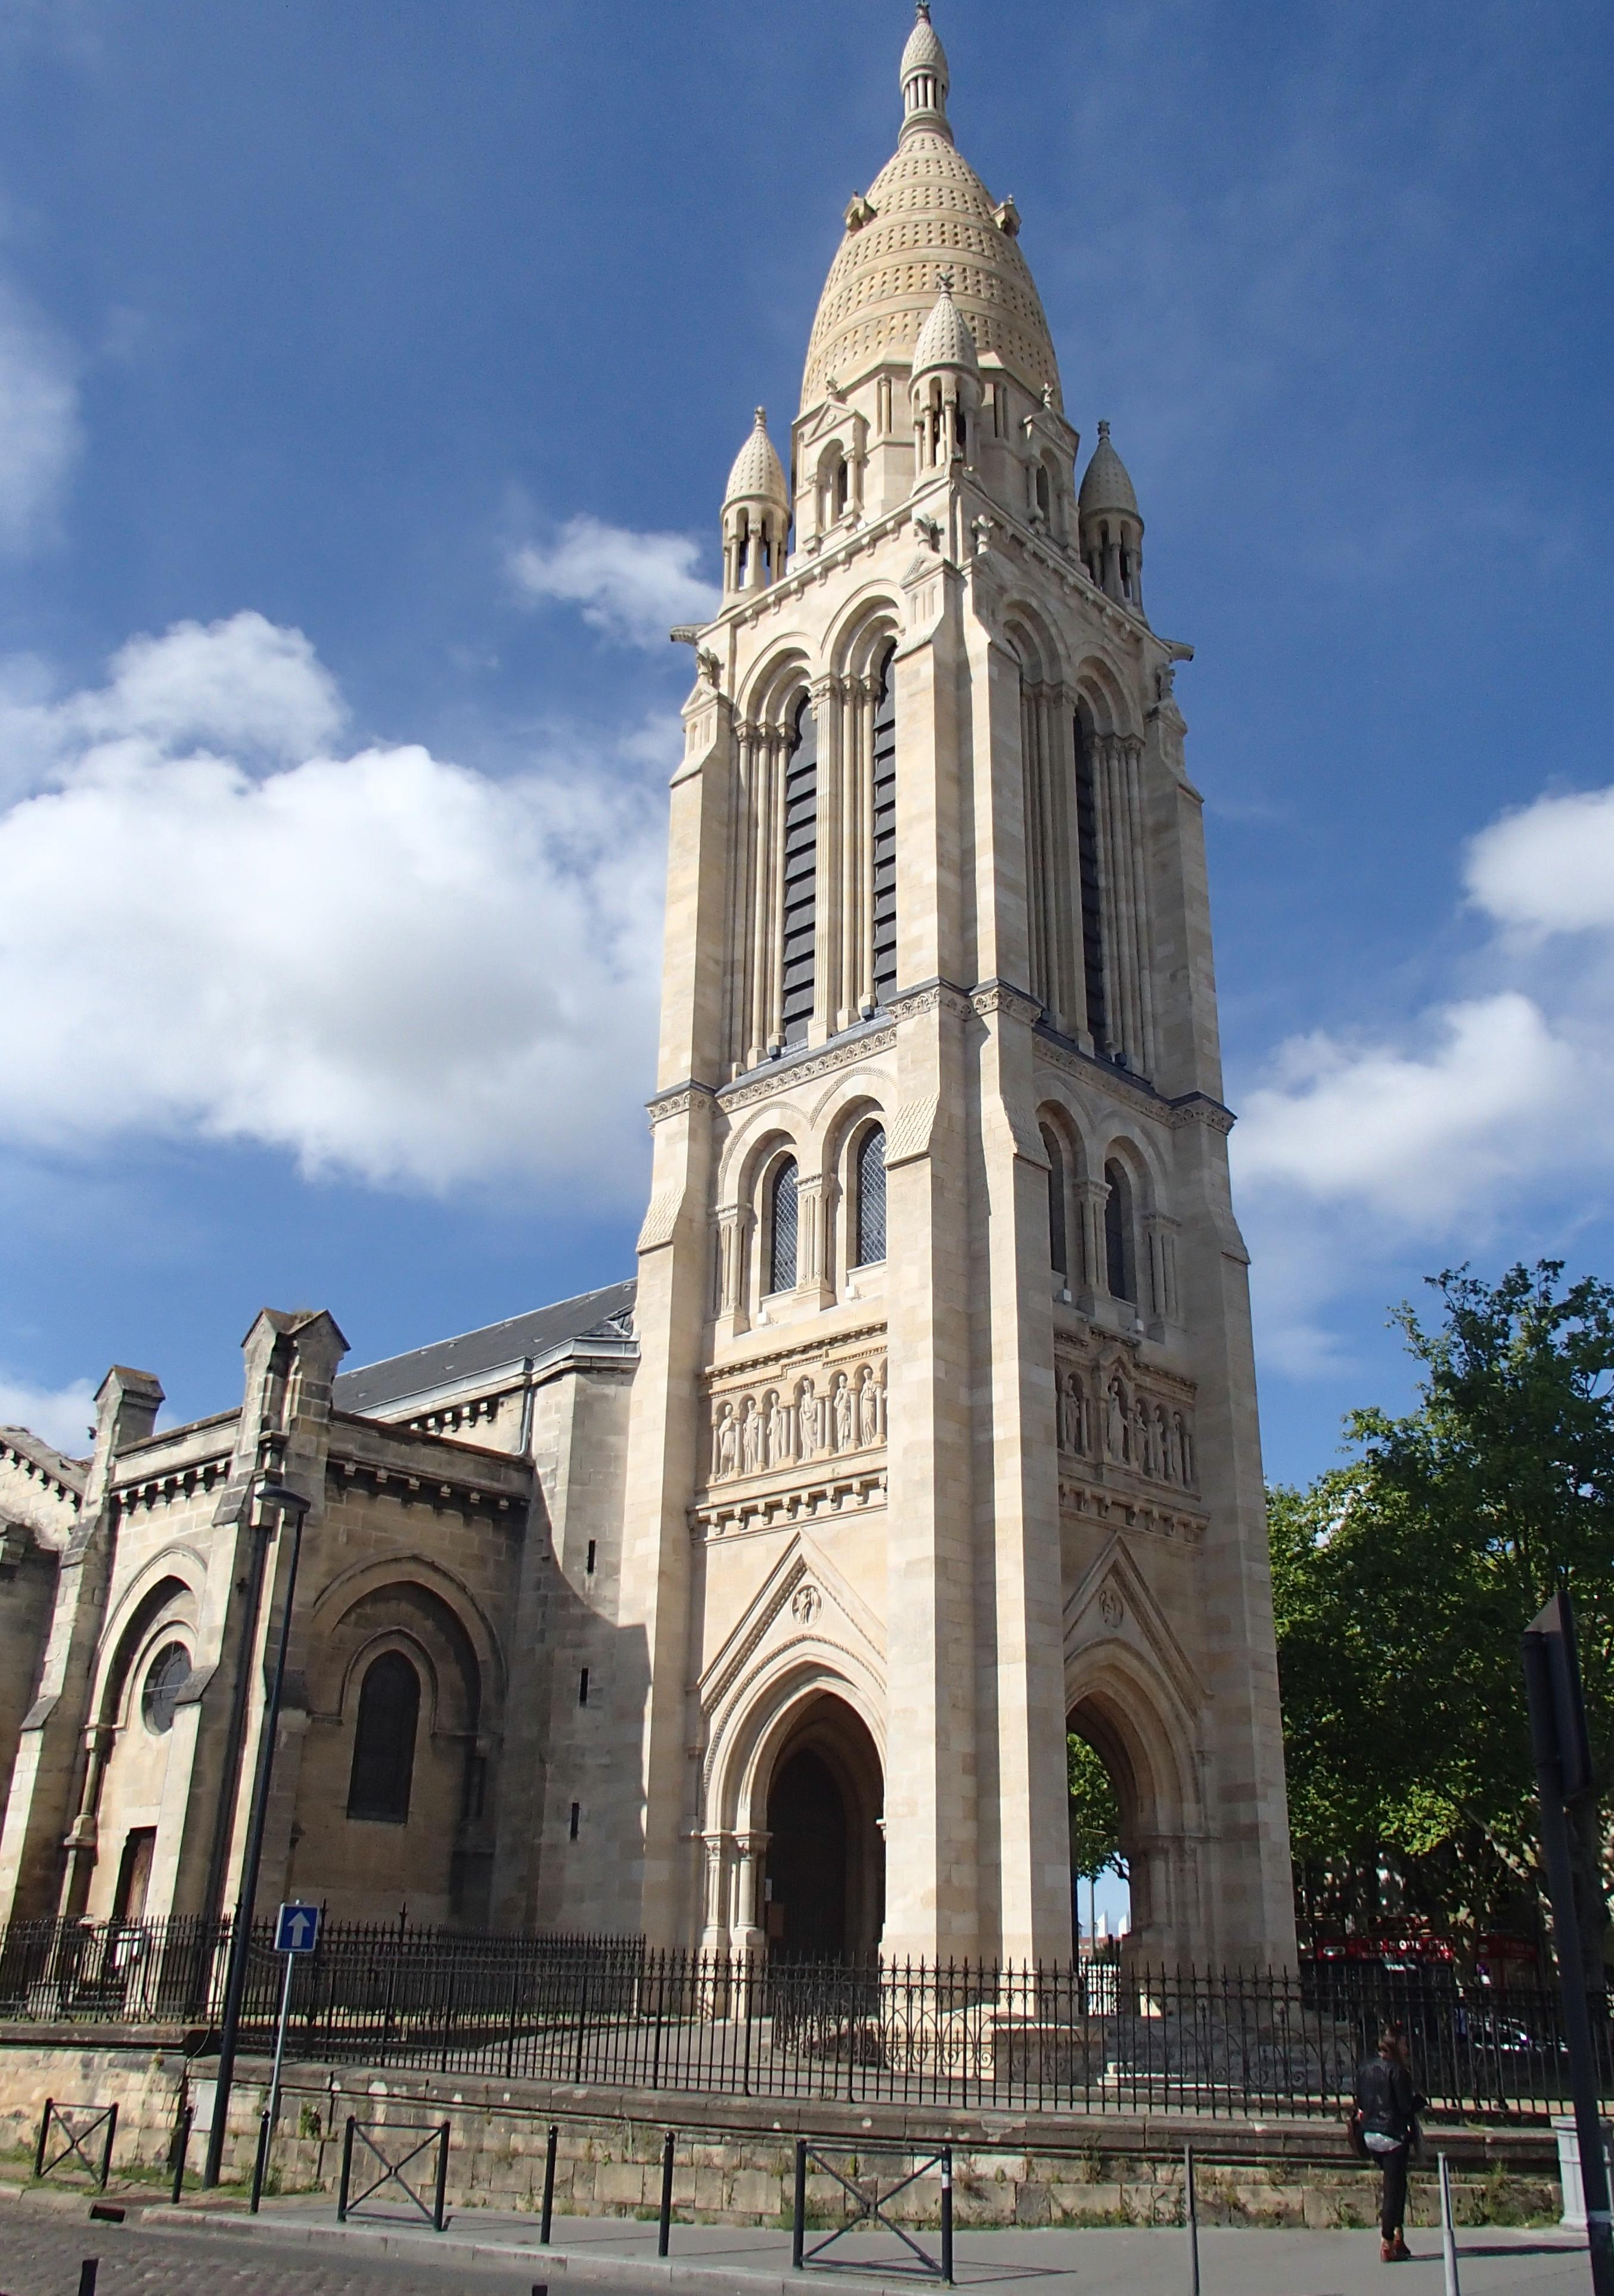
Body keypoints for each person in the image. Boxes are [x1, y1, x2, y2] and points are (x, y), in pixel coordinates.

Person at [1353, 2021, 1427, 2262]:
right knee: (1394, 2190)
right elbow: (1405, 2107)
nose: (1407, 2049)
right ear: (1396, 2046)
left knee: (1397, 2185)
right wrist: (1420, 2101)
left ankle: (1398, 2237)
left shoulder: (1365, 2069)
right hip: (1393, 2136)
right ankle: (1387, 2241)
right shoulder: (1398, 2072)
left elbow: (1361, 2103)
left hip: (1369, 2135)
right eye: (1405, 2044)